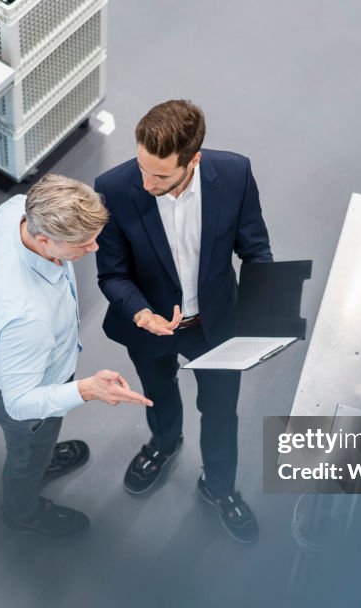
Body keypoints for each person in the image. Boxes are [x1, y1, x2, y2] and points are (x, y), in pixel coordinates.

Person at [94, 100, 273, 543]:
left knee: (220, 411)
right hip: (149, 326)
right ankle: (164, 442)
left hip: (215, 325)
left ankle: (219, 486)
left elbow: (255, 251)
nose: (145, 181)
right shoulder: (113, 188)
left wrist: (266, 318)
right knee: (157, 393)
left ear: (193, 160)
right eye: (142, 168)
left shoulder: (233, 175)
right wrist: (140, 313)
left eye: (159, 176)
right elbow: (112, 273)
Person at [0, 174, 152, 539]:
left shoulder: (14, 212)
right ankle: (21, 511)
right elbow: (20, 404)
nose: (93, 248)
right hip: (31, 398)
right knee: (26, 455)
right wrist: (87, 389)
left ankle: (41, 460)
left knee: (35, 448)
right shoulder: (28, 317)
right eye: (83, 243)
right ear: (44, 240)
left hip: (25, 365)